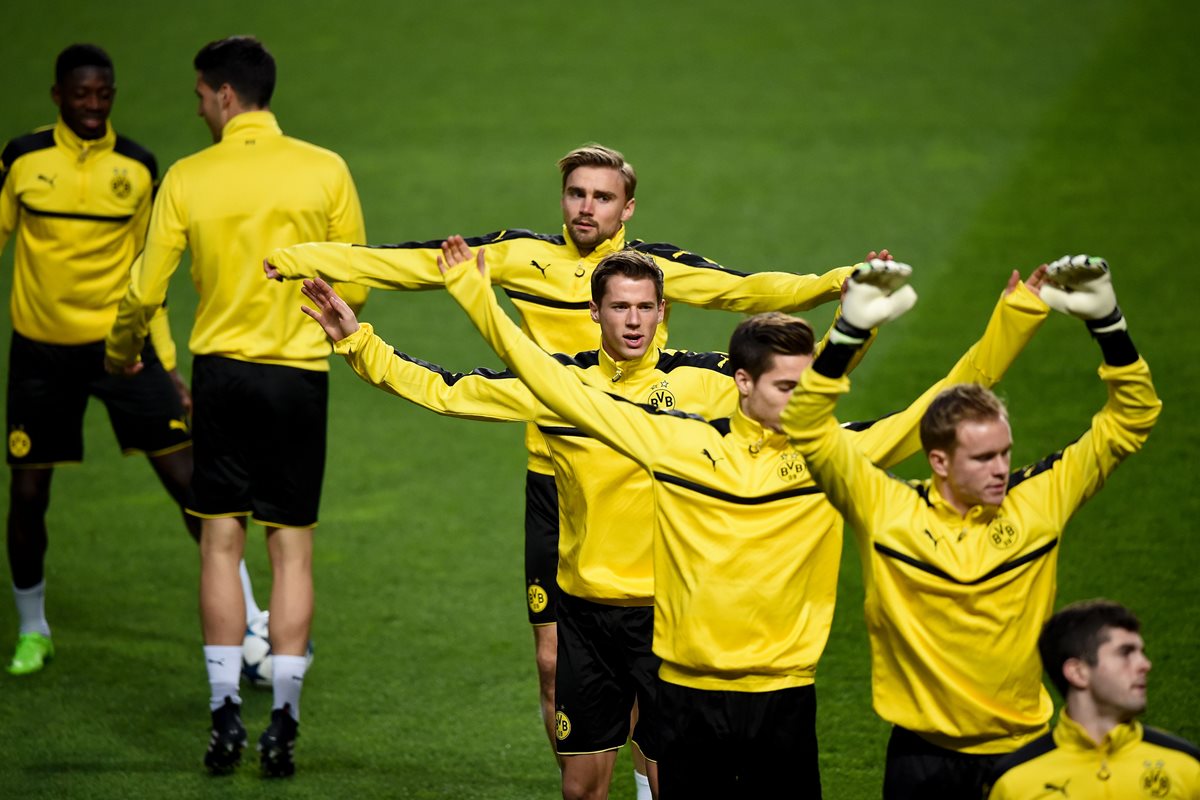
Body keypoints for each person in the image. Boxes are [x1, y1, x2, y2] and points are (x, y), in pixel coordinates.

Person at [264, 143, 855, 791]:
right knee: (557, 685)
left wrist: (842, 296)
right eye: (577, 193)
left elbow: (758, 311)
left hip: (659, 561)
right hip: (562, 487)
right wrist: (312, 277)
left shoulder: (686, 356)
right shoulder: (531, 285)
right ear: (594, 311)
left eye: (602, 196)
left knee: (673, 754)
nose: (586, 207)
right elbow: (427, 322)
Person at [431, 236, 1047, 797]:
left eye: (811, 388)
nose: (806, 400)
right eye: (788, 388)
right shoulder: (674, 445)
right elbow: (554, 384)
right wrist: (474, 298)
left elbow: (940, 406)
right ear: (741, 384)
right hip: (688, 696)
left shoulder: (830, 458)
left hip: (783, 699)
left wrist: (1014, 320)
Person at [782, 255, 1163, 799]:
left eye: (1005, 453)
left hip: (1025, 754)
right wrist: (848, 330)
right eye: (983, 458)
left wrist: (1109, 325)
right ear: (938, 462)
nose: (1001, 468)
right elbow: (805, 427)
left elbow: (1132, 419)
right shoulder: (884, 507)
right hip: (921, 759)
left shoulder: (1040, 500)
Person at [104, 36, 368, 778]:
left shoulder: (188, 176)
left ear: (223, 95)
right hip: (297, 379)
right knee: (292, 547)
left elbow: (144, 287)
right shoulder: (325, 169)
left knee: (221, 539)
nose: (198, 108)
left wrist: (123, 348)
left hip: (220, 375)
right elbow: (359, 284)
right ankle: (282, 723)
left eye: (198, 96)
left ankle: (224, 715)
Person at [0, 43, 207, 676]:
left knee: (190, 484)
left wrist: (168, 363)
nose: (94, 105)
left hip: (126, 352)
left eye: (104, 93)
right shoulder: (22, 160)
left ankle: (250, 622)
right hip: (40, 352)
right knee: (30, 492)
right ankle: (33, 629)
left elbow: (154, 274)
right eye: (82, 94)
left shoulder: (139, 168)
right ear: (58, 95)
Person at [985, 599, 1200, 799]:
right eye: (1125, 652)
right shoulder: (1013, 783)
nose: (1145, 664)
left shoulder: (1188, 765)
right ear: (1078, 672)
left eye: (1141, 652)